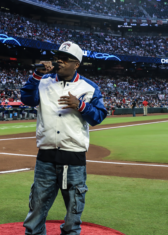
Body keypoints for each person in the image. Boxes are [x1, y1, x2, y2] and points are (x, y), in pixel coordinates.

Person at [21, 41, 107, 235]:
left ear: (76, 64)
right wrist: (37, 75)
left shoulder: (89, 87)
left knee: (73, 208)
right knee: (38, 203)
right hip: (46, 155)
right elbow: (27, 99)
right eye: (58, 57)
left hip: (73, 156)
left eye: (65, 59)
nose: (59, 61)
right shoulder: (42, 81)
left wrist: (81, 105)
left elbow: (99, 116)